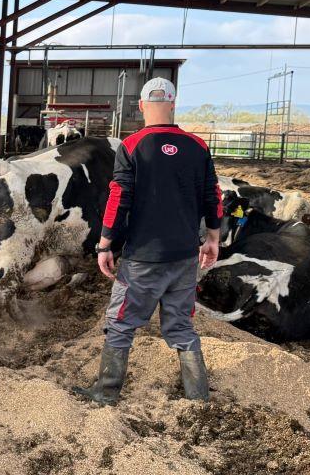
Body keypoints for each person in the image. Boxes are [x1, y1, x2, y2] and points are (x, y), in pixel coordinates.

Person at [75, 77, 221, 405]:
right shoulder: (198, 146)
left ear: (141, 106)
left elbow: (119, 196)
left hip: (143, 257)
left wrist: (105, 243)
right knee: (182, 328)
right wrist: (213, 238)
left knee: (121, 323)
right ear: (173, 104)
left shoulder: (131, 146)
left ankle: (105, 392)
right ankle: (198, 399)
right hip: (185, 256)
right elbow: (212, 195)